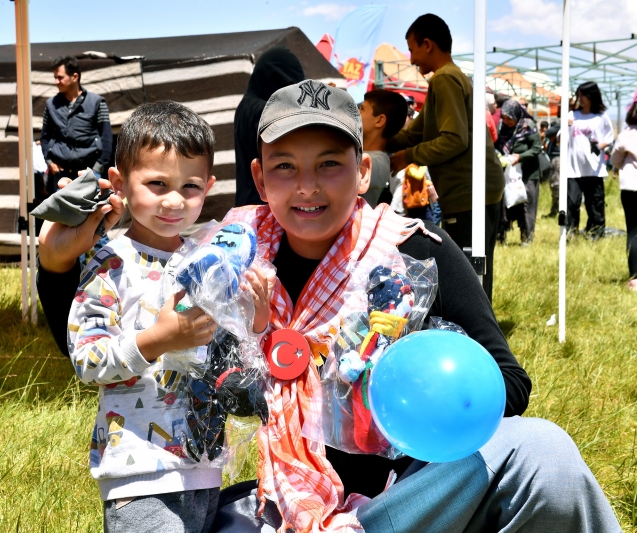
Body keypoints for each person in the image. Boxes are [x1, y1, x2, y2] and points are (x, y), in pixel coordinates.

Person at [214, 79, 620, 533]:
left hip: (411, 497)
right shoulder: (232, 261)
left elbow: (511, 384)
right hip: (285, 499)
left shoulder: (416, 251)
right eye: (285, 166)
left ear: (364, 171)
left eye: (329, 164)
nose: (307, 187)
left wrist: (396, 384)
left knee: (544, 453)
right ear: (259, 178)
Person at [66, 101, 272, 533]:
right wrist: (158, 339)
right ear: (120, 184)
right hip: (138, 471)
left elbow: (232, 352)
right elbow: (87, 358)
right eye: (157, 183)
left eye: (190, 187)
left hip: (205, 467)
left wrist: (257, 314)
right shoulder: (111, 260)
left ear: (209, 186)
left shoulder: (206, 257)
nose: (174, 200)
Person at [387, 14, 505, 303]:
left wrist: (405, 157)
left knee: (468, 276)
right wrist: (379, 140)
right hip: (477, 191)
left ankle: (477, 340)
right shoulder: (448, 78)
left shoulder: (445, 79)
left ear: (427, 45)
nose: (412, 59)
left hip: (470, 194)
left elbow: (454, 140)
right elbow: (415, 134)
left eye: (412, 49)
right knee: (476, 271)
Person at [234, 47, 305, 207]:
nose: (293, 92)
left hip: (251, 199)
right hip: (266, 205)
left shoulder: (247, 104)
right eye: (288, 84)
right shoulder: (264, 111)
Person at [41, 55, 113, 192]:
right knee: (63, 213)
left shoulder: (97, 102)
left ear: (75, 77)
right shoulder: (51, 105)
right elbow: (45, 137)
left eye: (60, 77)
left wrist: (97, 168)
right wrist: (50, 163)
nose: (56, 82)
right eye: (55, 78)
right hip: (61, 175)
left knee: (90, 213)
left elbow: (107, 138)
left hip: (90, 173)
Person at [566, 81, 613, 239]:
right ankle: (570, 234)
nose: (581, 98)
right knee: (572, 203)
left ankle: (596, 234)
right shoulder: (572, 116)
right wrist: (566, 126)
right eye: (579, 95)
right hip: (573, 169)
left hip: (594, 168)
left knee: (595, 203)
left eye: (583, 95)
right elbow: (559, 139)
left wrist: (599, 145)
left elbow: (609, 137)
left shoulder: (601, 117)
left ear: (592, 96)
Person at [495, 100, 542, 245]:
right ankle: (501, 237)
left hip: (528, 174)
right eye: (504, 117)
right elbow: (497, 144)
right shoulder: (502, 126)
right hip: (508, 174)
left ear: (516, 115)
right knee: (503, 204)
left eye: (509, 118)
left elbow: (537, 148)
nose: (506, 121)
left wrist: (520, 157)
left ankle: (527, 238)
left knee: (527, 205)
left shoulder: (528, 126)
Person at [357, 89, 407, 207]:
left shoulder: (376, 162)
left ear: (379, 121)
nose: (356, 113)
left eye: (362, 109)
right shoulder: (365, 155)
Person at [610, 101, 637, 291]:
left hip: (631, 187)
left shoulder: (626, 134)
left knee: (634, 231)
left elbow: (615, 159)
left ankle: (635, 277)